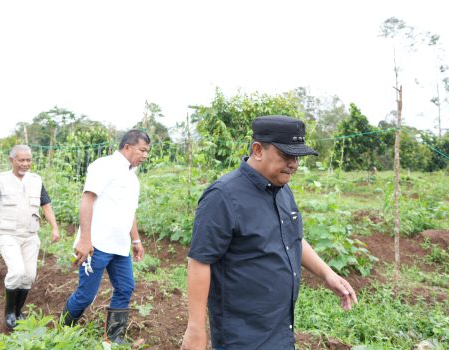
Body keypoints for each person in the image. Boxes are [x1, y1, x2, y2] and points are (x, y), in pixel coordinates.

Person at [181, 116, 358, 350]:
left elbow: (292, 238)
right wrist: (195, 329)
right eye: (286, 155)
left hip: (280, 327)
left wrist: (327, 274)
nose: (294, 164)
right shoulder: (223, 196)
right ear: (258, 150)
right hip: (242, 334)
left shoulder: (282, 190)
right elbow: (200, 262)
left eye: (297, 156)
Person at [62, 130, 149, 347]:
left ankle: (114, 337)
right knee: (86, 295)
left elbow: (129, 212)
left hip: (120, 246)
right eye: (142, 150)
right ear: (127, 147)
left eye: (147, 151)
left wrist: (136, 241)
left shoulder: (132, 177)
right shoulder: (104, 166)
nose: (145, 155)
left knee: (126, 287)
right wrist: (84, 239)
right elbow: (87, 199)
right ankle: (64, 329)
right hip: (97, 244)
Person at [0, 145, 60, 330]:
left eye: (28, 160)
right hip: (8, 234)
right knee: (17, 272)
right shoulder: (0, 181)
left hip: (31, 235)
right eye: (21, 160)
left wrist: (54, 228)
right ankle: (9, 312)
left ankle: (18, 311)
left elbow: (46, 206)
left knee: (29, 276)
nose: (25, 164)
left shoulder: (36, 180)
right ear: (12, 160)